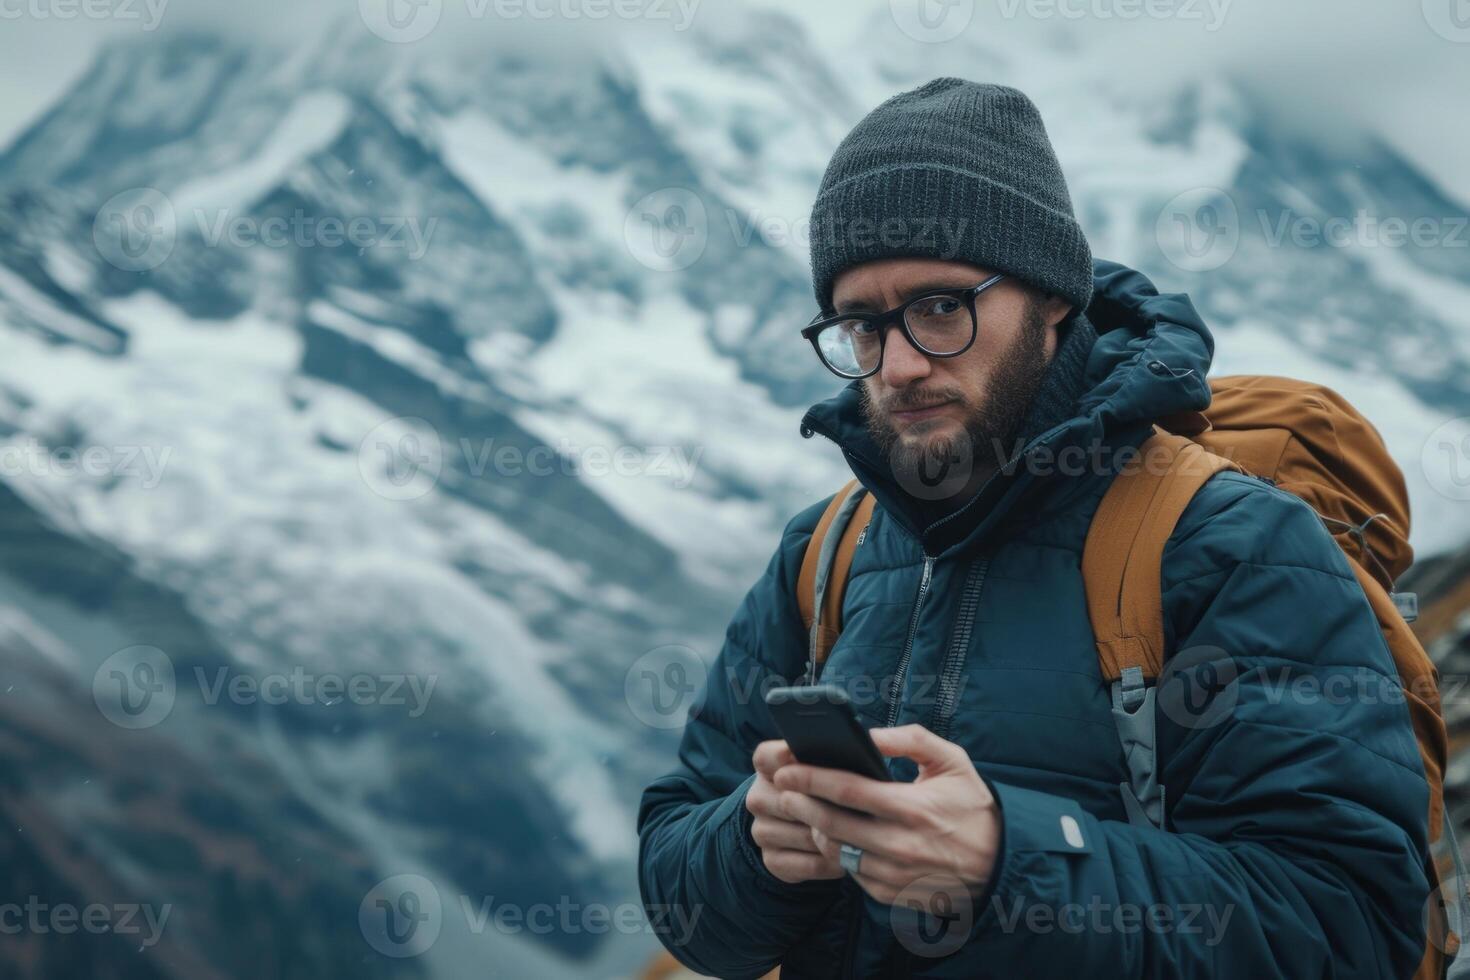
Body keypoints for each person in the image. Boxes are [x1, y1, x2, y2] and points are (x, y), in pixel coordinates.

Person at [637, 77, 1430, 978]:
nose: (896, 366)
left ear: (1052, 297)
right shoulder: (823, 555)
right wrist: (755, 842)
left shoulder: (1234, 544)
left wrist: (1009, 860)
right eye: (862, 325)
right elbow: (680, 891)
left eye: (940, 308)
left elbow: (1351, 929)